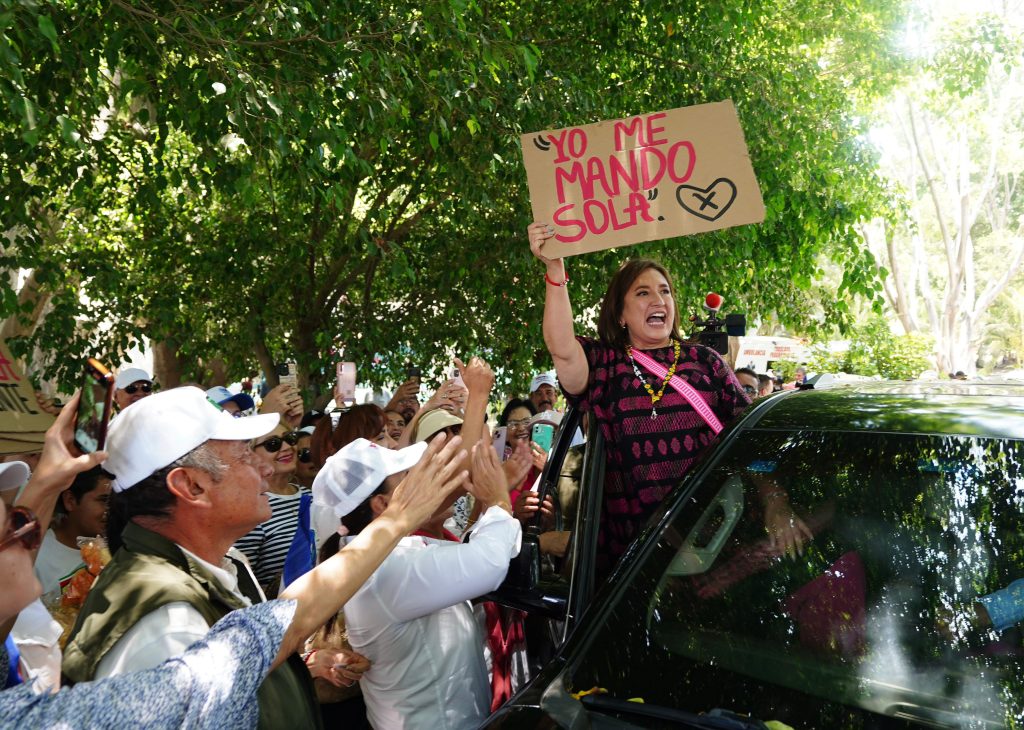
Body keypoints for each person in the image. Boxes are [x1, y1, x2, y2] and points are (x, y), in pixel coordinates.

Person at [1, 390, 471, 727]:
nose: (265, 466)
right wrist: (398, 520)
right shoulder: (164, 621)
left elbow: (275, 627)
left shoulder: (209, 568)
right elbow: (263, 638)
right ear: (191, 486)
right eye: (245, 456)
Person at [529, 222, 753, 572]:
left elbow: (751, 440)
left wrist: (775, 503)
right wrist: (555, 271)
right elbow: (562, 348)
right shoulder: (605, 365)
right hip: (636, 563)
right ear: (620, 314)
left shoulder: (705, 361)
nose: (658, 300)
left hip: (717, 545)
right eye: (643, 293)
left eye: (665, 291)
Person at [317, 435, 520, 729]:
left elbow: (468, 557)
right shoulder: (387, 569)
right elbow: (489, 563)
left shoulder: (383, 556)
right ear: (382, 503)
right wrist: (499, 500)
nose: (419, 481)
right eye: (406, 477)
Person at [233, 426, 308, 592]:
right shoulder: (252, 508)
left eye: (290, 438)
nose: (287, 447)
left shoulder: (313, 495)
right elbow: (243, 586)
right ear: (250, 454)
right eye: (273, 444)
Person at [34, 466, 111, 594]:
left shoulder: (117, 547)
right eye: (104, 500)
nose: (112, 510)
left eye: (115, 501)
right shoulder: (38, 558)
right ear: (70, 500)